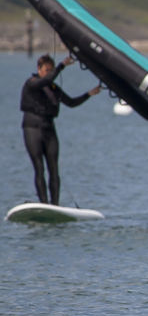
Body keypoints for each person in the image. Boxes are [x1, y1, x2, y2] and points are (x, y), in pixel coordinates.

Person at [20, 53, 100, 205]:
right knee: (39, 167)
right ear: (39, 69)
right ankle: (44, 203)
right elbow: (46, 80)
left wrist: (89, 94)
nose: (49, 73)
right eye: (46, 70)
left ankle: (55, 205)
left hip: (49, 129)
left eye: (51, 70)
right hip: (32, 129)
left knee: (54, 169)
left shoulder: (54, 89)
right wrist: (62, 65)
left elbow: (71, 102)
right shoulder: (32, 83)